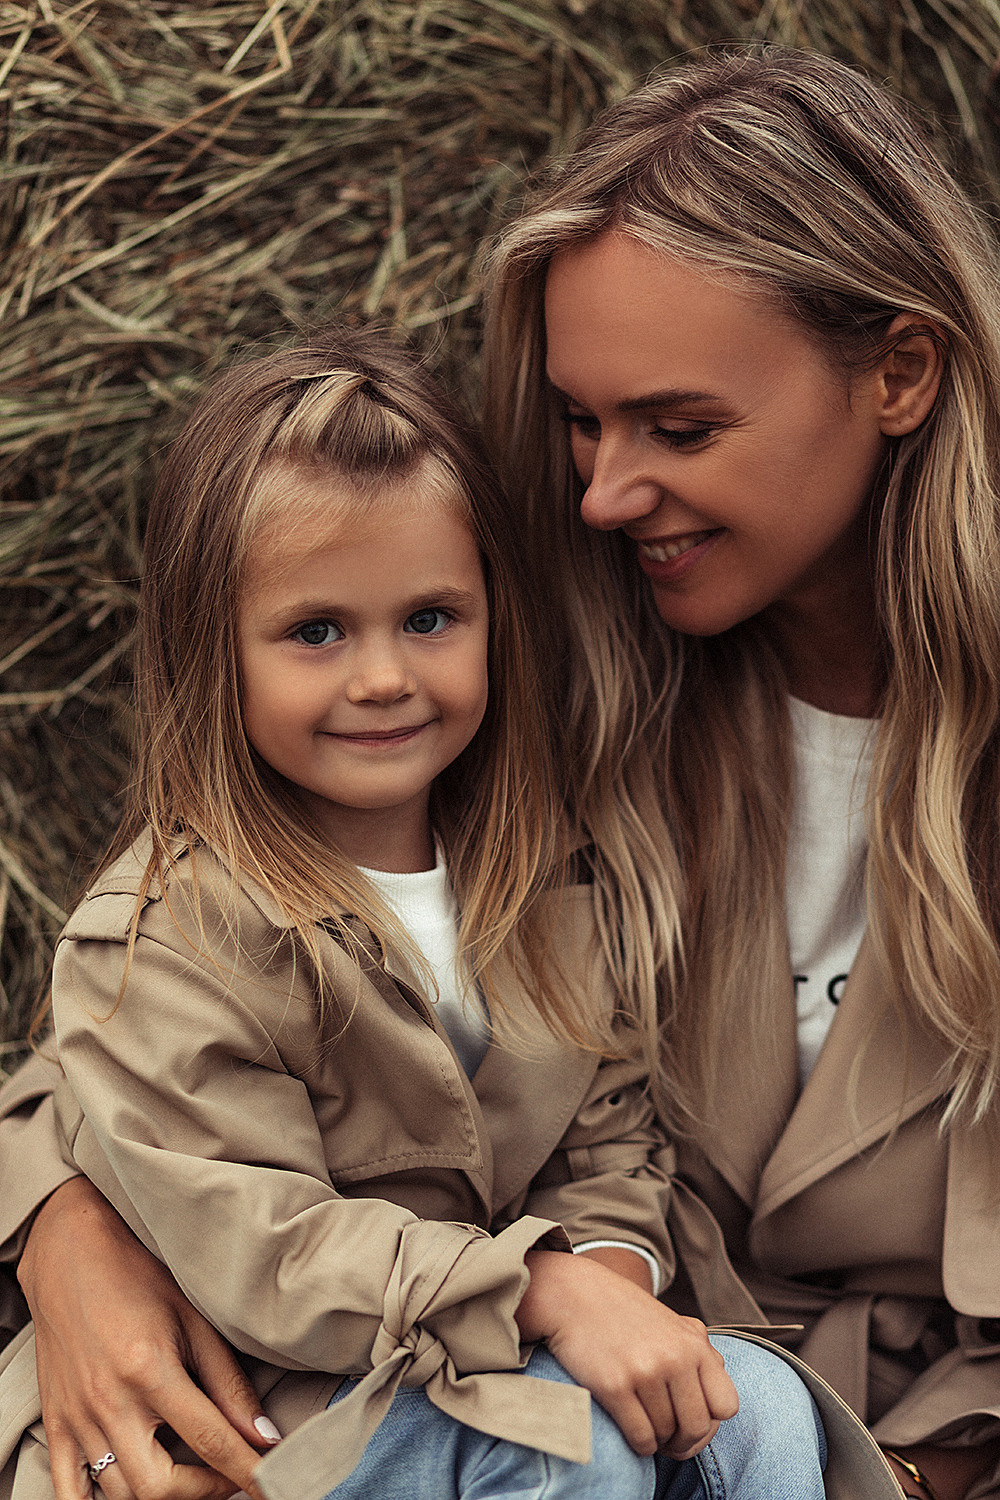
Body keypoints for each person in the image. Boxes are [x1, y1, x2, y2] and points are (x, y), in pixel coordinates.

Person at [0, 327, 829, 1500]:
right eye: (316, 632)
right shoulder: (168, 940)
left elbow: (607, 1136)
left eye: (430, 619)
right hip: (287, 1402)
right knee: (569, 1445)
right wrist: (537, 1289)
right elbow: (267, 1247)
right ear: (210, 654)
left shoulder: (547, 876)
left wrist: (610, 1281)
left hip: (481, 1359)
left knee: (762, 1415)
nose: (384, 676)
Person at [477, 43, 1000, 1500]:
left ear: (901, 371)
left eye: (680, 427)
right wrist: (70, 1235)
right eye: (582, 419)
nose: (601, 493)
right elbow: (184, 975)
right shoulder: (527, 678)